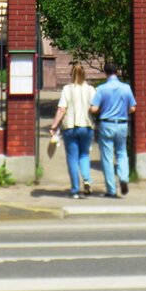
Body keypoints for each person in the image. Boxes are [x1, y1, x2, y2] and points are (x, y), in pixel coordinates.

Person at [90, 63, 136, 198]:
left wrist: (101, 110)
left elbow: (93, 108)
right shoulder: (126, 88)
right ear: (118, 71)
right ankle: (124, 178)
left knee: (107, 158)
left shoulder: (102, 89)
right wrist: (122, 111)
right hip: (122, 124)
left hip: (106, 124)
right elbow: (133, 108)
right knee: (122, 153)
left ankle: (111, 189)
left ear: (105, 73)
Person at [49, 64, 95, 198]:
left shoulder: (66, 89)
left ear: (71, 74)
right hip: (86, 126)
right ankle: (86, 180)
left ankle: (75, 189)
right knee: (84, 155)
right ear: (84, 74)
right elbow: (94, 107)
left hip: (70, 127)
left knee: (72, 158)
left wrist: (54, 125)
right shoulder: (91, 89)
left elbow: (62, 109)